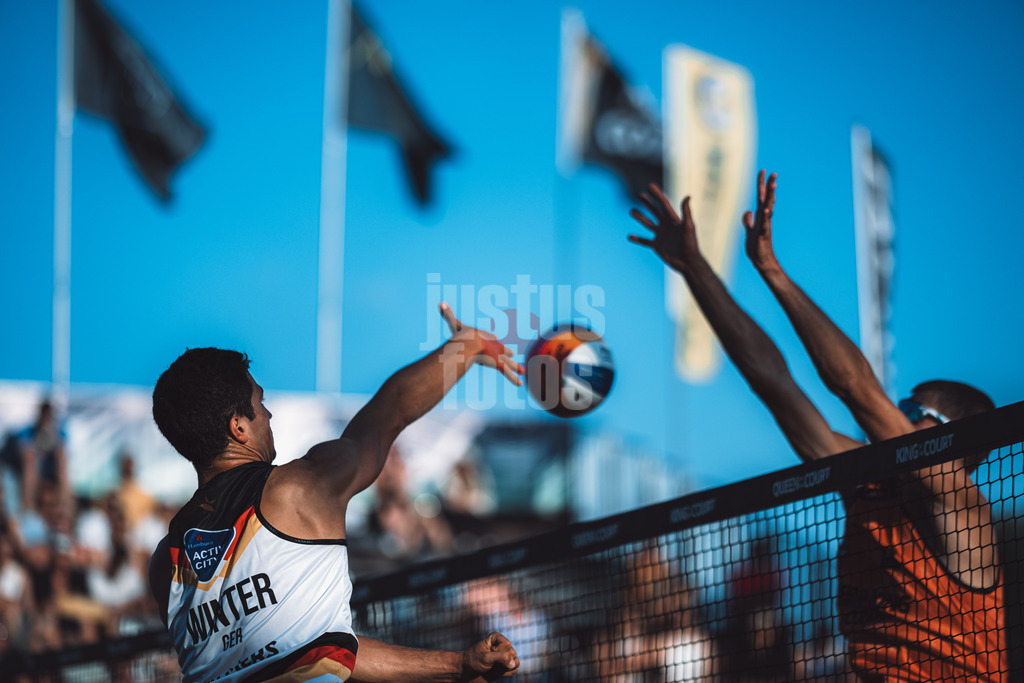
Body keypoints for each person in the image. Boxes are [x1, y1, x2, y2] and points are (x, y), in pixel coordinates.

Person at [628, 172, 1004, 682]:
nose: (896, 411)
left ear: (953, 443)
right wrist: (695, 270)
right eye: (900, 402)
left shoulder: (960, 507)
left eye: (914, 410)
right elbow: (774, 384)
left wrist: (773, 272)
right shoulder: (870, 486)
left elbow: (856, 388)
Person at [148, 303, 522, 683]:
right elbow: (389, 413)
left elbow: (322, 650)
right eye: (260, 404)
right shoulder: (300, 489)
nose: (269, 416)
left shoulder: (165, 565)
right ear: (238, 427)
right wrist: (466, 346)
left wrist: (457, 665)